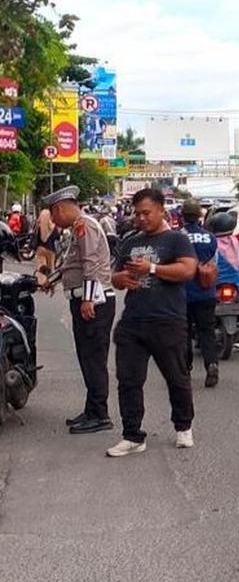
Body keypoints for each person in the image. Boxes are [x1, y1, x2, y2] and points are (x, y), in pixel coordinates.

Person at [105, 188, 199, 458]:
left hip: (167, 320)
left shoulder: (176, 240)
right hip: (133, 321)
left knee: (176, 377)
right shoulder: (130, 241)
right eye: (137, 214)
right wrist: (120, 279)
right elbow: (115, 276)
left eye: (146, 213)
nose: (141, 218)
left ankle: (183, 426)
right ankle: (132, 435)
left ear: (161, 211)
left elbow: (187, 270)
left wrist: (153, 269)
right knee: (128, 380)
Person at [42, 186, 116, 434]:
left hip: (94, 302)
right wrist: (50, 281)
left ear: (60, 208)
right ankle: (92, 408)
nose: (53, 221)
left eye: (53, 215)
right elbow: (71, 265)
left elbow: (90, 264)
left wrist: (88, 299)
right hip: (86, 299)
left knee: (93, 359)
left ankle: (100, 415)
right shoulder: (77, 228)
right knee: (87, 357)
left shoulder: (85, 226)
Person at [181, 199, 220, 388]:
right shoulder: (210, 237)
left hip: (182, 293)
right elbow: (215, 264)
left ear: (182, 216)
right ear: (199, 216)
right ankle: (211, 364)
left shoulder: (177, 237)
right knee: (207, 332)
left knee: (183, 333)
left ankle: (185, 369)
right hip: (206, 292)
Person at [209, 212, 239, 351]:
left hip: (215, 284)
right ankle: (238, 337)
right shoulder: (236, 243)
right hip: (235, 284)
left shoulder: (212, 243)